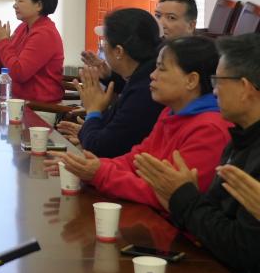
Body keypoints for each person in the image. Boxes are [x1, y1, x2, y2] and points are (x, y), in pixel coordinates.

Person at [134, 33, 260, 273]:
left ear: (245, 87)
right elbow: (211, 219)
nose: (213, 91)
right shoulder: (239, 139)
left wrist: (184, 198)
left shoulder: (224, 134)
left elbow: (240, 248)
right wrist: (181, 199)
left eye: (218, 81)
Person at [58, 36, 231, 210]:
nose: (152, 75)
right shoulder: (170, 112)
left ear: (191, 80)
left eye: (161, 69)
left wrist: (99, 174)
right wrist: (88, 166)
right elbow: (138, 159)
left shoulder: (210, 130)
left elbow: (166, 194)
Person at [56, 8, 165, 157]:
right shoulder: (146, 73)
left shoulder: (145, 90)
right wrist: (109, 76)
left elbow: (99, 147)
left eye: (104, 42)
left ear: (118, 51)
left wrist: (93, 112)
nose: (102, 47)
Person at [0, 0, 64, 103]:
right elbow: (0, 69)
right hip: (19, 102)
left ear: (38, 5)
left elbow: (19, 73)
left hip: (40, 107)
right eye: (15, 0)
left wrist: (4, 42)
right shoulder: (23, 27)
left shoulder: (44, 34)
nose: (14, 6)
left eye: (20, 1)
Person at [80, 0, 197, 74]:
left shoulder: (197, 58)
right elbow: (136, 82)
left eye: (171, 18)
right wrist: (108, 74)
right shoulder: (155, 49)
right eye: (158, 16)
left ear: (191, 25)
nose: (161, 23)